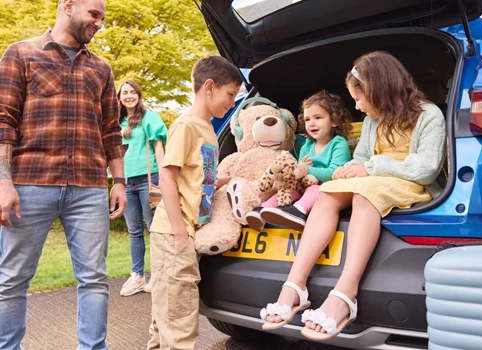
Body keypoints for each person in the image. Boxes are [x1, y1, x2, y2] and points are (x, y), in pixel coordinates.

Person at [260, 51, 446, 341]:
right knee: (326, 193)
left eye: (359, 98)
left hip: (410, 182)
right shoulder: (373, 121)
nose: (357, 106)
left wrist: (369, 168)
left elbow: (426, 168)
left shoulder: (429, 115)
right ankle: (295, 286)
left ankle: (346, 293)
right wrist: (344, 171)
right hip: (373, 179)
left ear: (378, 89)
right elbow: (360, 157)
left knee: (364, 195)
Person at [0, 0, 127, 349]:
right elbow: (3, 121)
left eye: (102, 18)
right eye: (94, 15)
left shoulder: (102, 68)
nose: (99, 23)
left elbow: (110, 130)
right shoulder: (20, 53)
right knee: (11, 279)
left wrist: (119, 182)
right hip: (29, 184)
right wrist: (3, 181)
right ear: (68, 6)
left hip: (88, 188)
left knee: (94, 279)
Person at [147, 56, 243, 350]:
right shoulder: (187, 126)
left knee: (166, 314)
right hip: (175, 231)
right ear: (209, 87)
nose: (232, 103)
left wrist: (233, 179)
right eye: (230, 95)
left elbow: (202, 181)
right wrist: (179, 232)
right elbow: (167, 177)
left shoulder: (208, 130)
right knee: (180, 320)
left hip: (189, 230)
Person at [246, 90, 352, 232]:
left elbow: (334, 173)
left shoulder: (339, 144)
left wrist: (307, 170)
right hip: (305, 186)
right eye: (307, 119)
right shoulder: (307, 146)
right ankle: (264, 210)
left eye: (318, 118)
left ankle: (298, 211)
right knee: (291, 188)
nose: (312, 123)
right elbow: (298, 172)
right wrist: (295, 172)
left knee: (315, 189)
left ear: (334, 121)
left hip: (329, 191)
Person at [117, 80, 167, 297]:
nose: (129, 96)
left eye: (132, 92)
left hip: (148, 179)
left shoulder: (149, 117)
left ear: (138, 95)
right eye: (124, 92)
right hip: (126, 183)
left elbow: (158, 146)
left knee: (154, 229)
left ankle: (159, 275)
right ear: (119, 97)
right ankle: (138, 276)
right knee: (134, 231)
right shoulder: (116, 121)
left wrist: (164, 175)